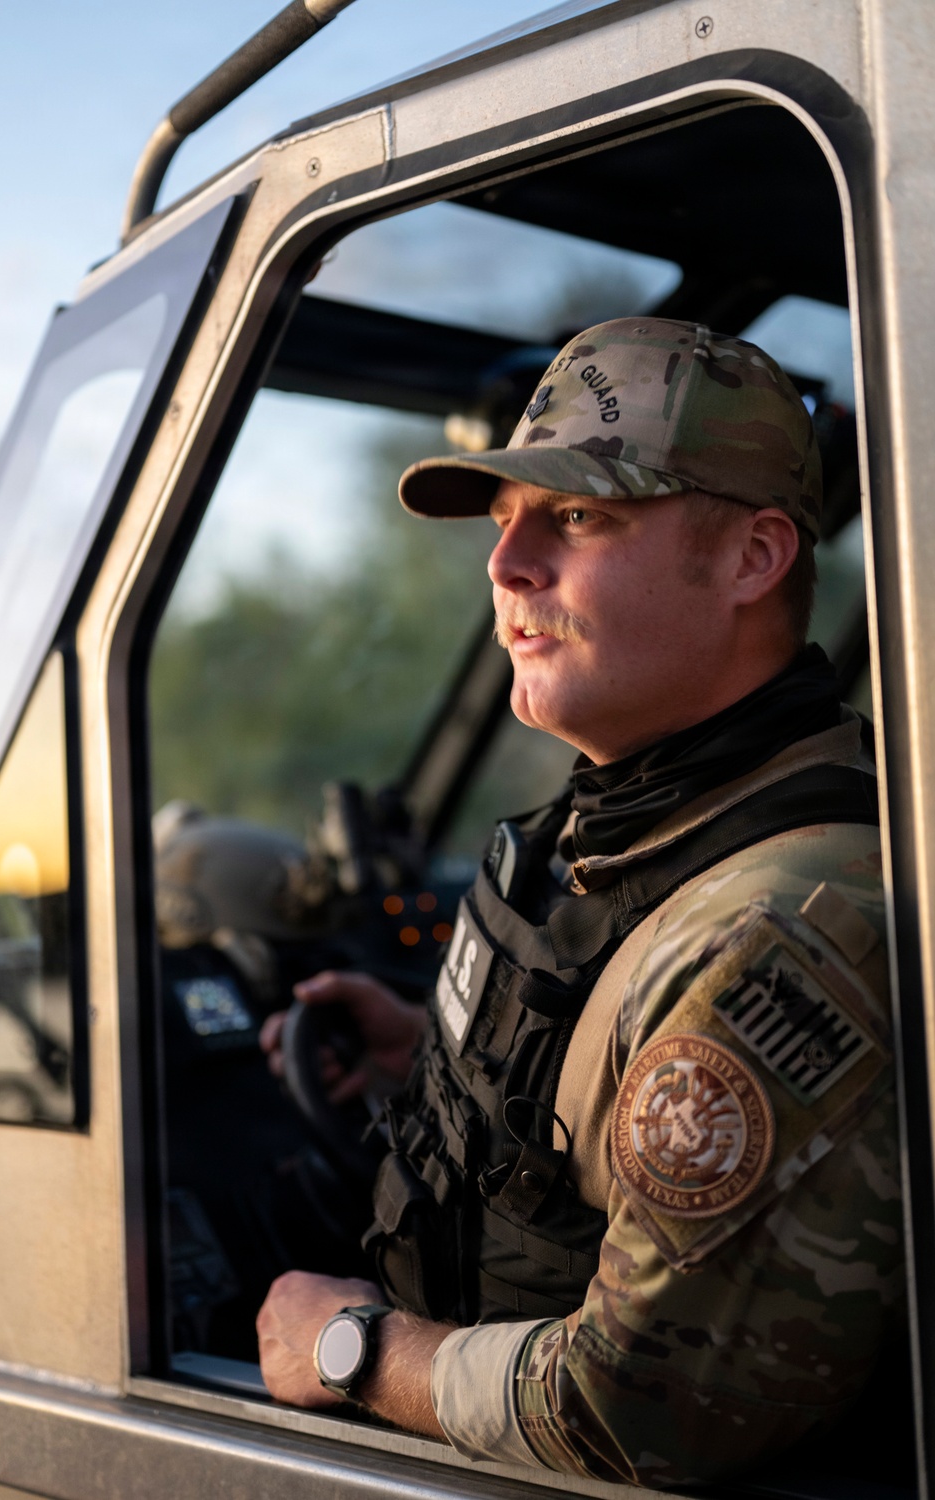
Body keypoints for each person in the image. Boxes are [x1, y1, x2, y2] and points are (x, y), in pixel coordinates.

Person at [255, 318, 903, 1488]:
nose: (505, 567)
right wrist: (462, 1066)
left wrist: (350, 1351)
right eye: (505, 523)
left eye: (580, 516)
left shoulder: (786, 924)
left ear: (753, 559)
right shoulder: (644, 820)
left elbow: (635, 1410)